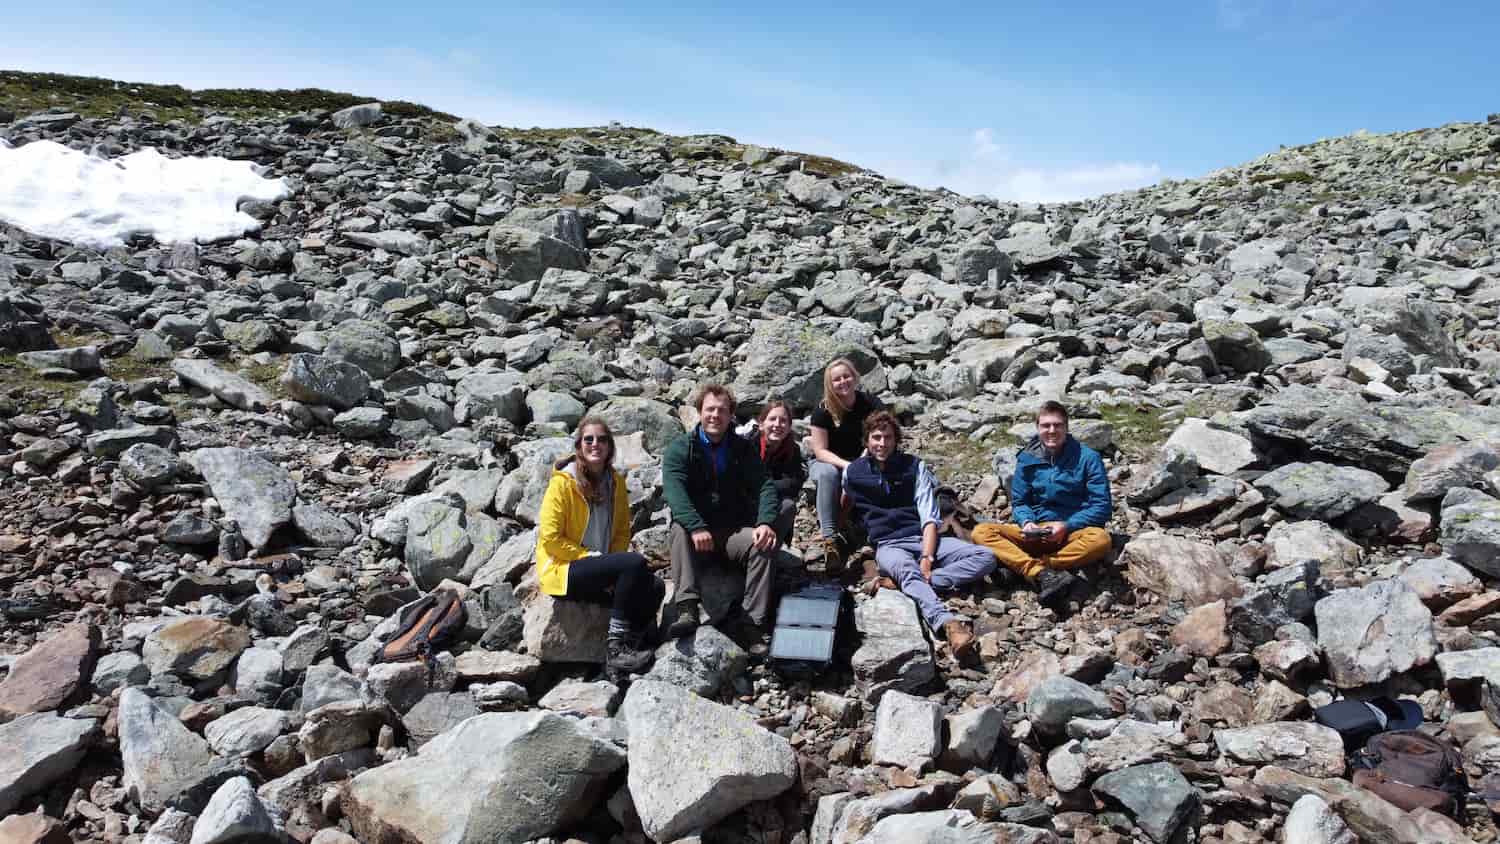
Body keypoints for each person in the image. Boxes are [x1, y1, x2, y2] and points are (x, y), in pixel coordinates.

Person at [843, 411, 996, 664]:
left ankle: (911, 583)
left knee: (986, 556)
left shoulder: (914, 467)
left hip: (922, 537)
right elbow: (845, 503)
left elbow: (928, 516)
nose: (882, 443)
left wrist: (927, 557)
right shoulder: (853, 472)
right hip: (889, 544)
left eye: (888, 437)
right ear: (867, 440)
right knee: (905, 567)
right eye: (876, 437)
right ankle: (948, 624)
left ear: (896, 440)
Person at [535, 417, 664, 678]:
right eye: (589, 439)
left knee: (655, 586)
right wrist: (589, 558)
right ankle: (616, 649)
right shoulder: (563, 483)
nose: (596, 444)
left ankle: (629, 649)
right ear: (579, 446)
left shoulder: (614, 482)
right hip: (564, 568)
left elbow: (620, 532)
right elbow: (550, 538)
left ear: (610, 447)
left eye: (602, 439)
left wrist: (609, 565)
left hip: (597, 566)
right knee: (634, 564)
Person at [662, 383, 782, 649]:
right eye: (710, 409)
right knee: (679, 528)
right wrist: (696, 526)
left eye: (722, 410)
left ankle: (751, 623)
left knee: (763, 543)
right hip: (696, 536)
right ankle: (687, 607)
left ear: (731, 416)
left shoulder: (742, 449)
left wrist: (764, 522)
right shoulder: (680, 450)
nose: (715, 415)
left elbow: (764, 485)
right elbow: (675, 493)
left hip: (731, 532)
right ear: (699, 412)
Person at [970, 401, 1113, 609]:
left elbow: (1101, 506)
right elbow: (1020, 502)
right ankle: (1040, 573)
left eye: (1058, 425)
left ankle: (1032, 569)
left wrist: (1067, 525)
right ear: (1038, 428)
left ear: (1067, 427)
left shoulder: (1088, 458)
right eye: (1046, 425)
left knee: (1101, 539)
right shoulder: (1026, 459)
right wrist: (1027, 522)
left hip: (1072, 533)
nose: (1052, 431)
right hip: (1035, 531)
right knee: (981, 532)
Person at [808, 357, 883, 573]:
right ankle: (830, 537)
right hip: (828, 461)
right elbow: (820, 450)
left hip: (865, 456)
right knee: (828, 473)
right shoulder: (822, 411)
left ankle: (872, 531)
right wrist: (848, 466)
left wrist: (862, 460)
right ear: (829, 384)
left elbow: (882, 434)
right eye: (837, 379)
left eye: (846, 376)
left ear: (855, 377)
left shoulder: (871, 404)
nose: (843, 382)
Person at [756, 399, 806, 545]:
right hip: (748, 500)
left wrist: (765, 486)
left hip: (774, 500)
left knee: (788, 505)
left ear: (790, 426)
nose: (777, 424)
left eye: (783, 421)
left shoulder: (792, 449)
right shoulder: (748, 444)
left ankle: (772, 550)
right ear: (761, 423)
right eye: (772, 419)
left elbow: (794, 482)